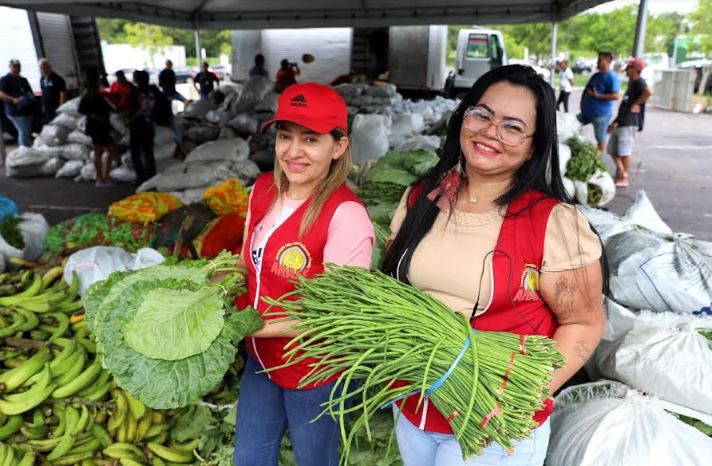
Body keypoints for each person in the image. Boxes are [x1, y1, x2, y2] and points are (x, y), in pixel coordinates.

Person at [383, 65, 606, 466]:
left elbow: (584, 323)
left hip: (495, 427)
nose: (490, 131)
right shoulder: (421, 198)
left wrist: (525, 395)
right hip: (413, 409)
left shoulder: (553, 222)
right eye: (481, 114)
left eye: (513, 126)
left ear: (535, 145)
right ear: (463, 117)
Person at [233, 82, 375, 466]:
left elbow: (333, 316)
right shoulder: (262, 189)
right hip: (261, 361)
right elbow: (245, 262)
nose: (293, 152)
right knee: (249, 459)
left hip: (315, 371)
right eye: (284, 137)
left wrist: (246, 325)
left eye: (311, 140)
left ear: (339, 146)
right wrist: (209, 292)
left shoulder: (346, 215)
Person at [607, 57, 653, 188]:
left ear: (635, 69)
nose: (626, 70)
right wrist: (614, 122)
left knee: (624, 151)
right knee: (612, 149)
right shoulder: (632, 84)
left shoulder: (639, 82)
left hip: (630, 122)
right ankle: (621, 173)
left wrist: (636, 104)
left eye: (629, 67)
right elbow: (625, 106)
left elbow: (648, 92)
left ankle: (623, 177)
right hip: (622, 121)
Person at [127, 70, 169, 184]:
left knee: (136, 154)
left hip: (136, 127)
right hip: (149, 126)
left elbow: (128, 110)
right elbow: (165, 104)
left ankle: (141, 178)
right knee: (148, 153)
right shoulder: (154, 92)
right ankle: (151, 177)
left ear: (136, 80)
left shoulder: (134, 94)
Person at [78, 67, 118, 187]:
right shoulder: (91, 93)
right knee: (107, 150)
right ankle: (102, 178)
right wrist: (96, 116)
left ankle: (103, 177)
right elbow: (82, 109)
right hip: (98, 127)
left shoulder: (92, 92)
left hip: (98, 126)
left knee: (100, 152)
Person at [577, 52, 620, 153]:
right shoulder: (596, 75)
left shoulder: (611, 77)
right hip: (587, 113)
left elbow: (616, 95)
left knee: (600, 138)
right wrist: (582, 104)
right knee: (572, 123)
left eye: (600, 60)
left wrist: (598, 96)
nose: (597, 62)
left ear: (608, 62)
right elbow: (587, 89)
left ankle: (598, 160)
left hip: (600, 115)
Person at [0, 59, 35, 146]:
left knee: (26, 131)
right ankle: (24, 150)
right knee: (23, 131)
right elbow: (1, 94)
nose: (17, 68)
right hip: (15, 111)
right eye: (15, 66)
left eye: (18, 66)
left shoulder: (23, 80)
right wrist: (13, 100)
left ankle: (27, 149)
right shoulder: (5, 79)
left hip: (26, 110)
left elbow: (30, 92)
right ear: (10, 67)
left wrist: (31, 97)